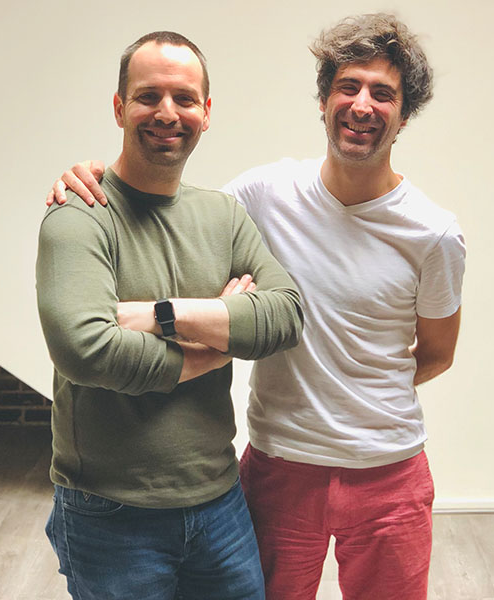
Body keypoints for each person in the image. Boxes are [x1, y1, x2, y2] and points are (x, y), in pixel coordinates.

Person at [48, 14, 465, 600]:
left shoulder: (434, 232)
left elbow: (436, 353)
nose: (362, 105)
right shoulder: (263, 195)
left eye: (383, 93)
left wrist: (360, 386)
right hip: (279, 466)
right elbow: (165, 200)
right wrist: (88, 175)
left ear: (404, 113)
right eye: (348, 86)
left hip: (389, 472)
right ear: (323, 101)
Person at [36, 30, 303, 600]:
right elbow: (85, 350)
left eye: (184, 98)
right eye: (148, 96)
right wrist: (219, 341)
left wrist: (162, 315)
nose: (166, 113)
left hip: (221, 502)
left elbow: (284, 315)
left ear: (206, 113)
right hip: (110, 513)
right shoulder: (80, 214)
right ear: (119, 108)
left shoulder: (223, 215)